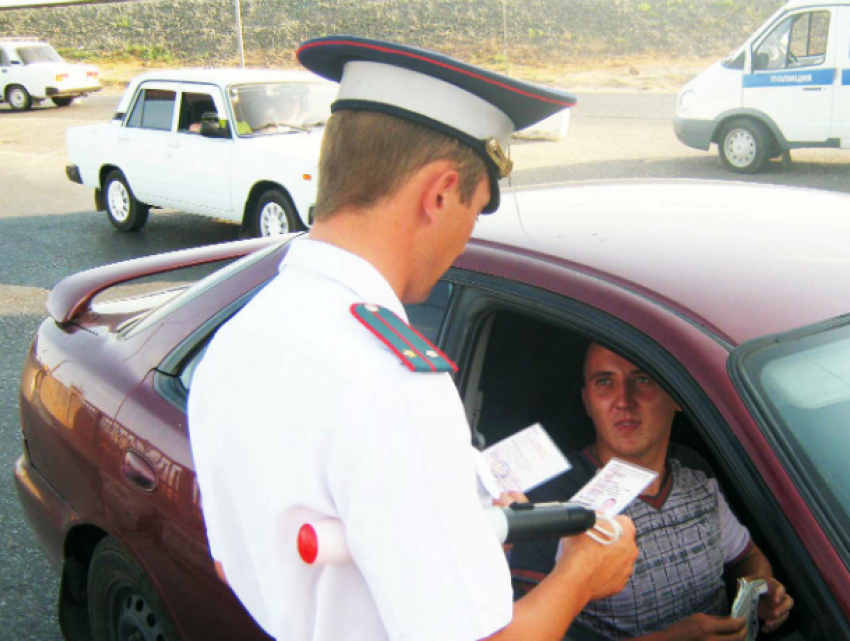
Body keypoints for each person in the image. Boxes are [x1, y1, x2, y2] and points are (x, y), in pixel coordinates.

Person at [187, 36, 638, 641]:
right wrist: (583, 575)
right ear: (440, 192)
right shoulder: (392, 386)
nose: (465, 240)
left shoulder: (242, 334)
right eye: (474, 210)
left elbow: (234, 559)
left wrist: (463, 533)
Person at [509, 343, 795, 640]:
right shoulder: (552, 501)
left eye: (642, 379)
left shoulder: (694, 471)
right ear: (587, 401)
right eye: (605, 382)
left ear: (677, 396)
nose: (623, 401)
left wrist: (759, 588)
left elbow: (748, 557)